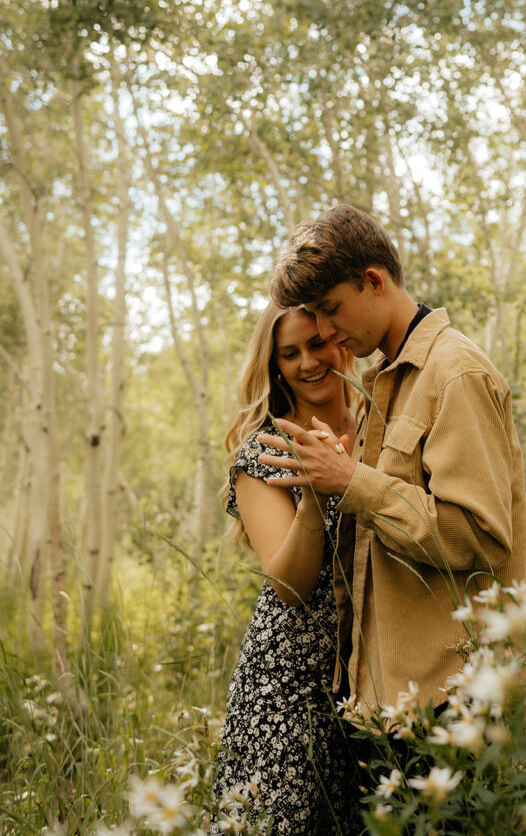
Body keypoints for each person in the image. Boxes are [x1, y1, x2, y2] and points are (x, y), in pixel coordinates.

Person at [257, 204, 526, 719]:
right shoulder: (381, 382)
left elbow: (480, 536)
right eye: (313, 316)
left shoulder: (454, 374)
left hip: (457, 698)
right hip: (388, 699)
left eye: (329, 309)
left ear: (374, 281)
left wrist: (349, 480)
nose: (324, 331)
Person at [211, 301, 361, 836]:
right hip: (286, 690)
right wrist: (313, 501)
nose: (308, 363)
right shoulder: (266, 453)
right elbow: (288, 586)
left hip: (367, 686)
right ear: (274, 365)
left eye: (316, 344)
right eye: (289, 353)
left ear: (341, 339)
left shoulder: (380, 424)